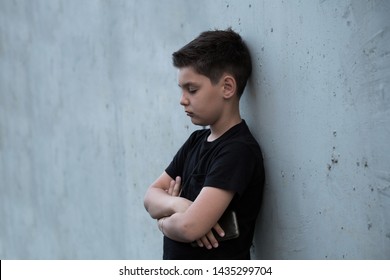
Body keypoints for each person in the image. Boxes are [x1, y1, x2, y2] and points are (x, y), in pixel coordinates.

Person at [144, 28, 265, 260]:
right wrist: (179, 206)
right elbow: (150, 197)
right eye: (181, 90)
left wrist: (163, 220)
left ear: (227, 87)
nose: (182, 100)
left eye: (192, 89)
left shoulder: (238, 151)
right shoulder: (196, 141)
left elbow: (190, 227)